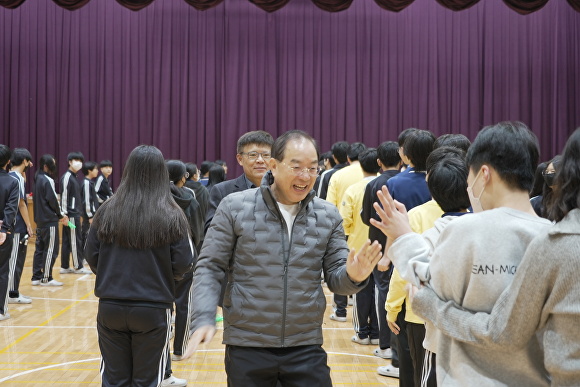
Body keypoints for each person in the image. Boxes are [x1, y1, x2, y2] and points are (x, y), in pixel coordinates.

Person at [185, 130, 382, 386]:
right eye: (296, 167)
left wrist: (354, 275)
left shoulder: (327, 215)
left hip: (306, 345)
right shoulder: (234, 207)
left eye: (313, 169)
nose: (305, 176)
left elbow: (337, 279)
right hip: (248, 345)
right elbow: (210, 267)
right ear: (274, 166)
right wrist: (203, 316)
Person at [372, 121, 552, 387]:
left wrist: (405, 240)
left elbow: (425, 288)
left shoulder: (464, 231)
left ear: (484, 175)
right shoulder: (554, 237)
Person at [410, 127, 580, 387]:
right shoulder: (550, 232)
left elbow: (500, 331)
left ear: (484, 174)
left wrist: (426, 300)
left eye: (470, 174)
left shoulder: (555, 243)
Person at [85, 145, 195, 387]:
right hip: (153, 308)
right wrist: (163, 277)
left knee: (114, 380)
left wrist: (111, 276)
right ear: (161, 173)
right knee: (147, 381)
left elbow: (91, 255)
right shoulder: (172, 213)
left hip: (111, 306)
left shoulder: (107, 209)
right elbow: (185, 262)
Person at [360, 140, 402, 366]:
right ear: (401, 158)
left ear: (379, 162)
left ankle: (385, 345)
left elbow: (367, 218)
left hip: (379, 247)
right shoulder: (406, 182)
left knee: (384, 292)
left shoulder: (375, 184)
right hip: (406, 246)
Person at [339, 148, 381, 346]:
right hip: (382, 249)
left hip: (358, 247)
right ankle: (376, 333)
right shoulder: (386, 185)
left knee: (361, 290)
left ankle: (362, 333)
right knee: (380, 291)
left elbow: (344, 220)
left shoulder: (354, 190)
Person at [325, 141, 368, 323]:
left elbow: (329, 205)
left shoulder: (338, 175)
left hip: (342, 227)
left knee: (340, 265)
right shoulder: (378, 176)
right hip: (368, 231)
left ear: (348, 158)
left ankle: (340, 310)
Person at [204, 130, 274, 232]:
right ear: (240, 159)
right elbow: (212, 232)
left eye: (266, 155)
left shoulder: (284, 189)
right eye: (253, 155)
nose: (260, 160)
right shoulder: (222, 191)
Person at [31, 155, 68, 287]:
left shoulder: (37, 178)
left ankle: (36, 277)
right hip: (49, 221)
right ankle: (46, 278)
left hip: (40, 221)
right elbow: (53, 200)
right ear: (46, 166)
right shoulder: (47, 180)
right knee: (51, 249)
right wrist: (60, 216)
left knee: (39, 249)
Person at [8, 148, 34, 304]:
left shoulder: (9, 176)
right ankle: (12, 293)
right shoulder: (16, 179)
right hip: (16, 226)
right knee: (15, 260)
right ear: (25, 161)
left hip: (9, 225)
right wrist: (29, 225)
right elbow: (22, 204)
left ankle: (12, 290)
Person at [60, 151, 91, 274]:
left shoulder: (74, 177)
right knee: (75, 239)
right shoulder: (67, 177)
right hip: (70, 214)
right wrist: (64, 213)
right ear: (69, 162)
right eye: (76, 160)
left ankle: (65, 266)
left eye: (80, 160)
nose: (79, 163)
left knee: (68, 240)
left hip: (74, 213)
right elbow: (64, 196)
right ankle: (78, 266)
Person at [0, 145, 20, 321]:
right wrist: (4, 228)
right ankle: (0, 310)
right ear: (8, 162)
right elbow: (11, 208)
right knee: (2, 270)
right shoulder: (13, 182)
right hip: (3, 233)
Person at [81, 161, 100, 251]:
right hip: (89, 216)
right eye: (95, 169)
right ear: (89, 170)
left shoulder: (90, 182)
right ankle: (83, 255)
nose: (97, 171)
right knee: (86, 235)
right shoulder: (86, 183)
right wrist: (90, 216)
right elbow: (87, 201)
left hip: (92, 214)